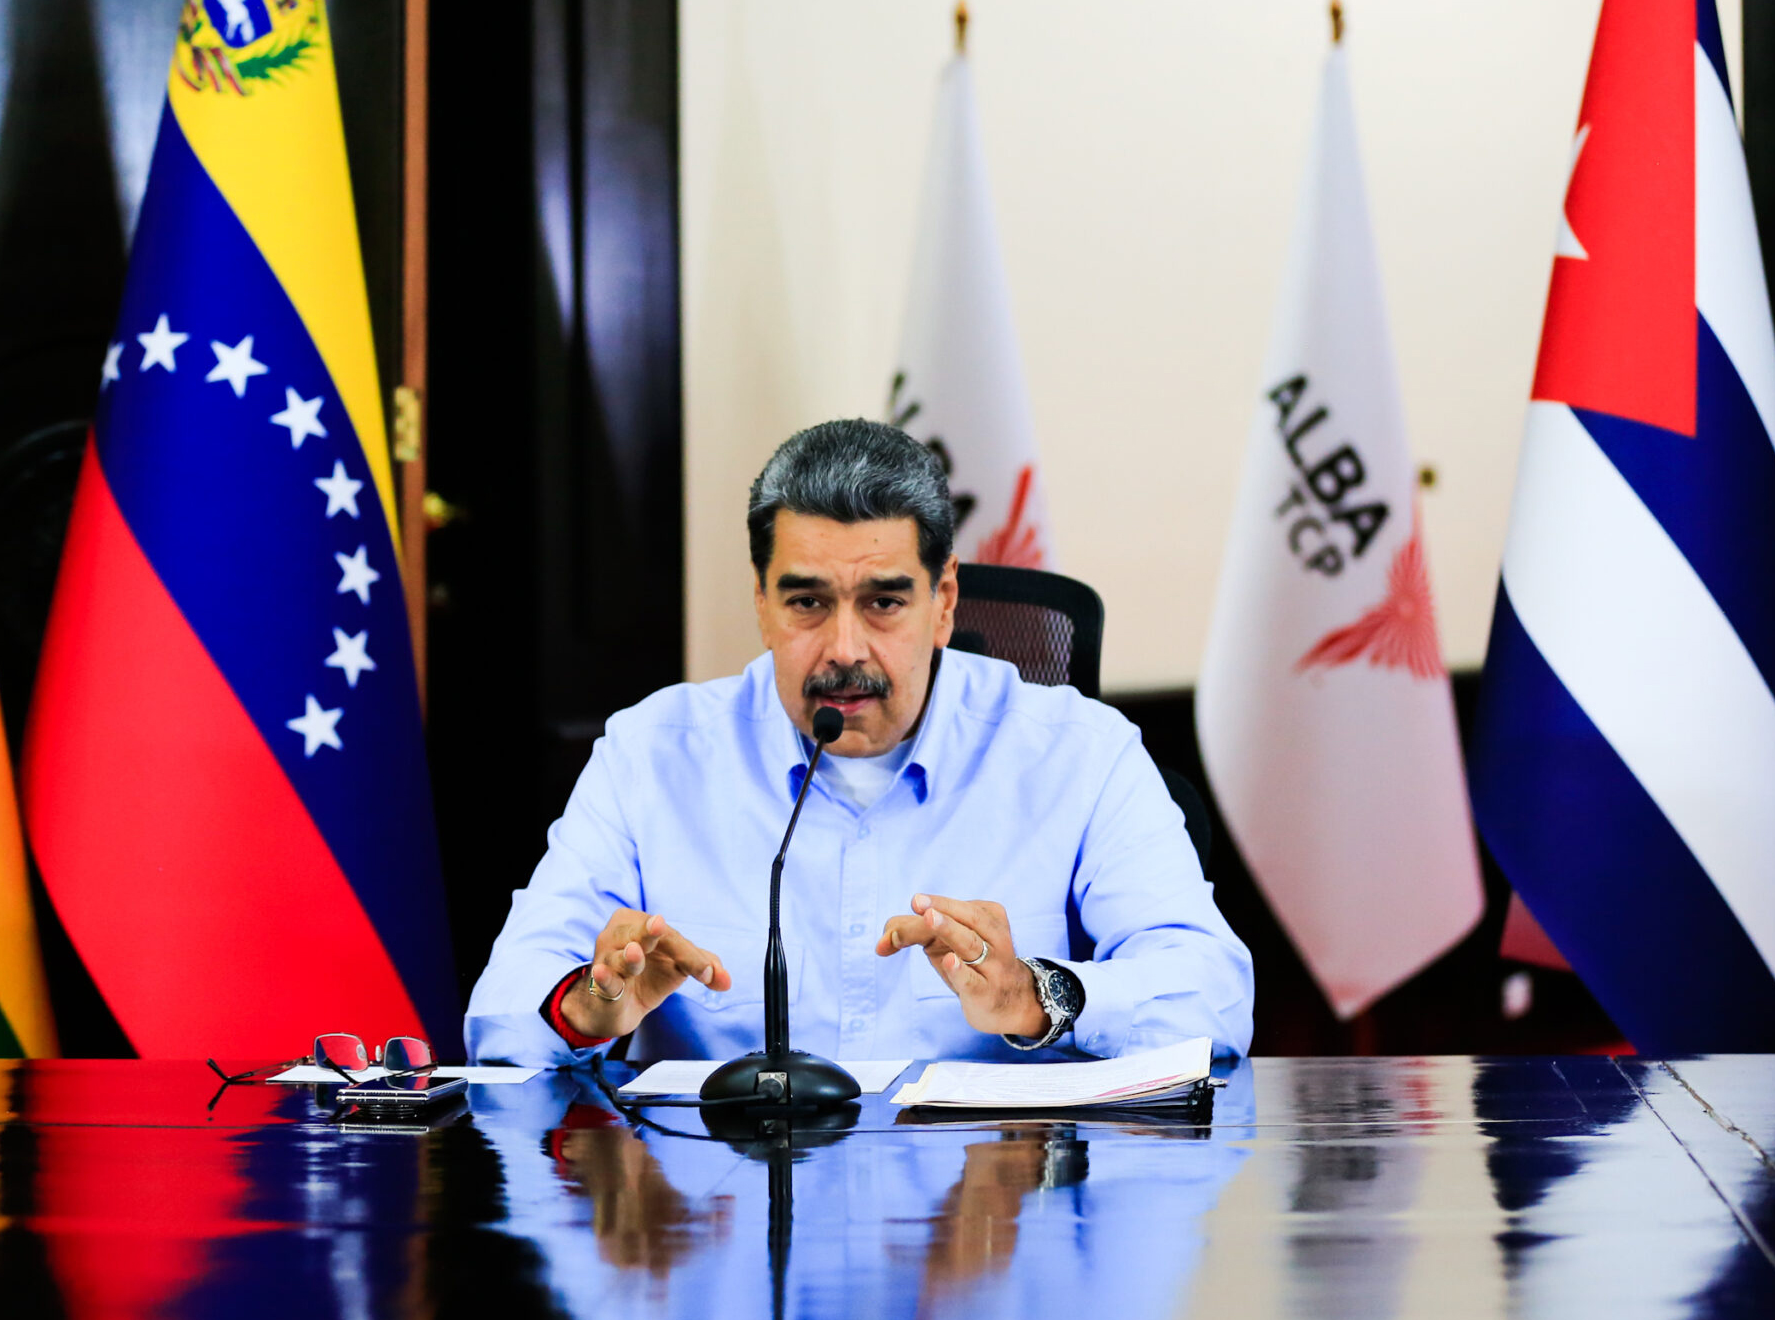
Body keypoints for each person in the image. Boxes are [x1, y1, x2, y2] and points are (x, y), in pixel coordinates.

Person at [464, 419, 1253, 1067]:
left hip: (995, 1197)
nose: (844, 649)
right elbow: (500, 1013)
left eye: (884, 603)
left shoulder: (1079, 754)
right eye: (807, 603)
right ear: (763, 604)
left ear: (944, 601)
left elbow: (1214, 997)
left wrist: (1032, 997)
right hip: (724, 1200)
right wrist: (587, 1008)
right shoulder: (651, 756)